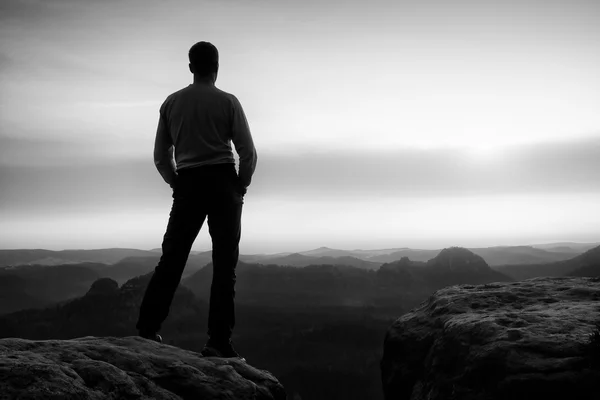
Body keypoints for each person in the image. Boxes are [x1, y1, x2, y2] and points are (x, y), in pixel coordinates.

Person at [136, 41, 257, 359]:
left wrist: (177, 182)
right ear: (217, 67)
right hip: (223, 183)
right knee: (224, 266)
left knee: (172, 260)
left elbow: (161, 156)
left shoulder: (172, 103)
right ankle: (218, 343)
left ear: (191, 67)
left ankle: (147, 330)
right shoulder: (228, 102)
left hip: (188, 183)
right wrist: (240, 186)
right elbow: (248, 152)